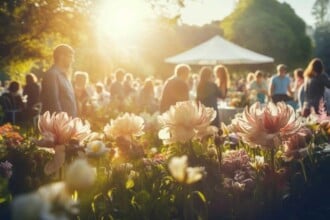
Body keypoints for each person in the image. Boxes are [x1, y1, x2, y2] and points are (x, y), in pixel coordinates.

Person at [40, 44, 77, 117]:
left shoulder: (64, 75)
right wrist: (61, 120)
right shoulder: (52, 74)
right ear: (61, 56)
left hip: (68, 121)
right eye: (70, 57)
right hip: (60, 123)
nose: (73, 60)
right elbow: (53, 101)